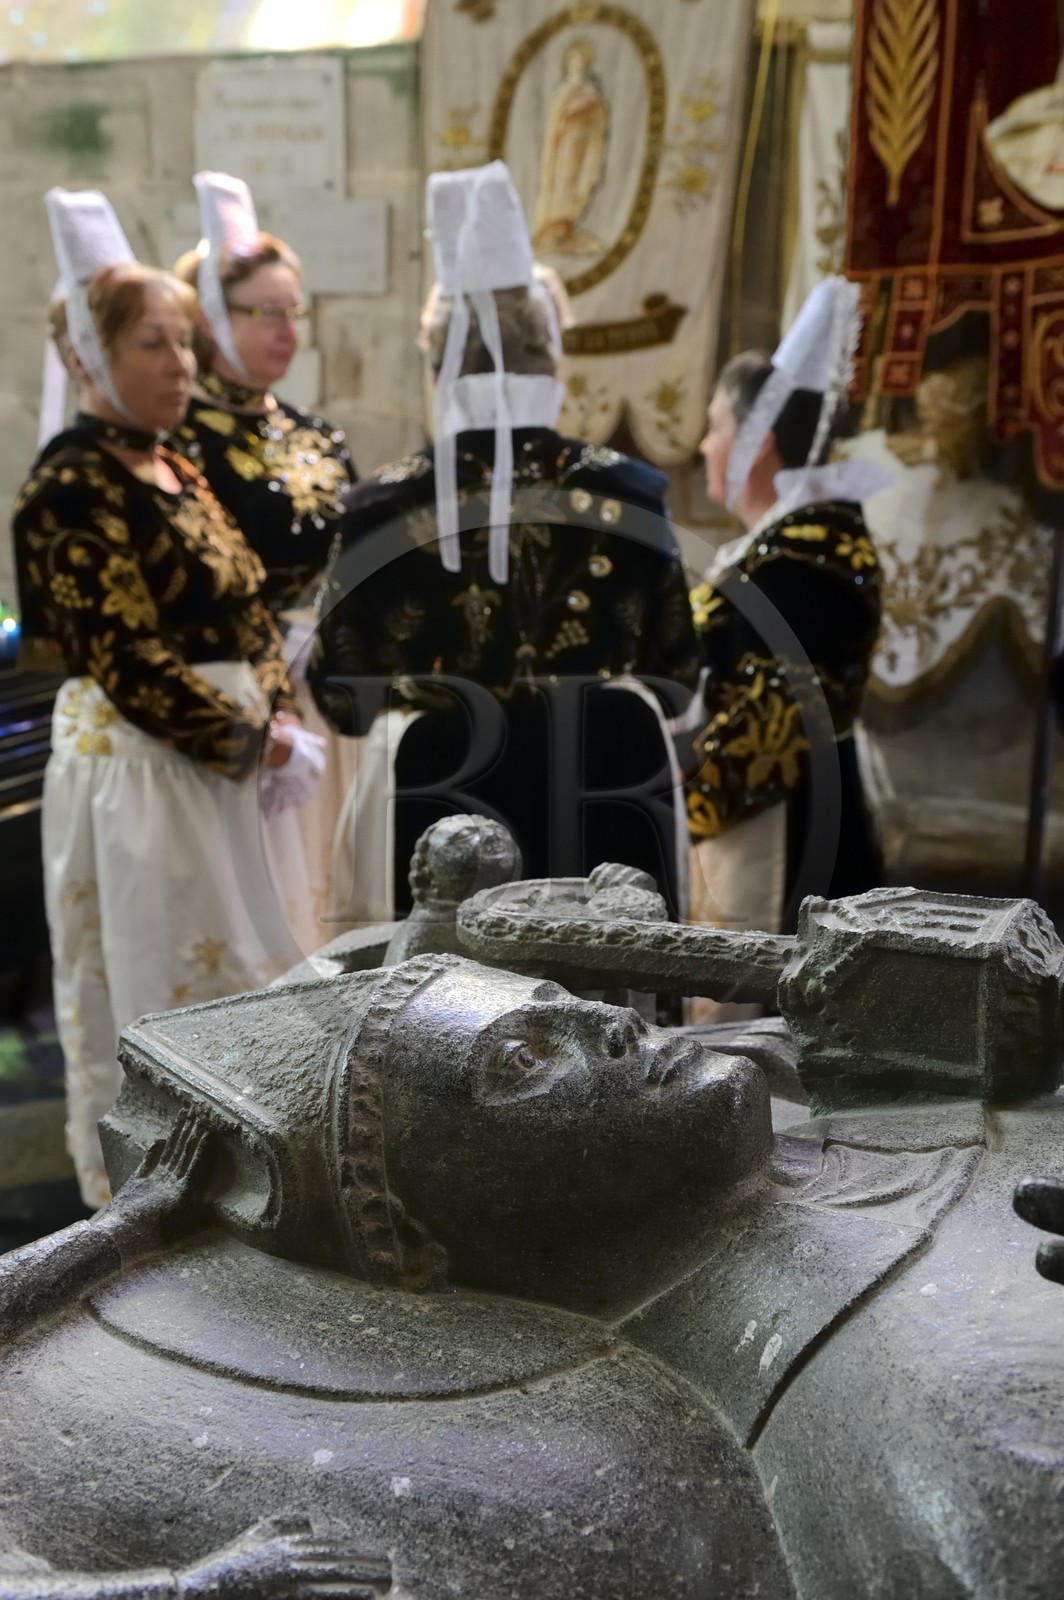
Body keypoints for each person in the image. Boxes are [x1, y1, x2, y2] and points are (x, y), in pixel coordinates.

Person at [11, 187, 319, 1209]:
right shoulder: (70, 488)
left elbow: (247, 607)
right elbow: (123, 654)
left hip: (230, 769)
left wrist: (277, 707)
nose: (182, 364)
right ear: (90, 359)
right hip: (151, 778)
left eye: (187, 343)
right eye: (155, 344)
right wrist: (251, 737)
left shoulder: (176, 465)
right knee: (175, 993)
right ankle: (169, 1212)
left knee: (259, 987)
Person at [309, 161, 699, 917]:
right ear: (551, 357)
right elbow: (679, 672)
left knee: (441, 1012)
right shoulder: (632, 492)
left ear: (435, 364)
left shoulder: (377, 508)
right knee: (616, 1006)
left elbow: (340, 696)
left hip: (437, 794)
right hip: (609, 782)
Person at [172, 172, 358, 927]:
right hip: (247, 693)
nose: (287, 330)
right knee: (269, 901)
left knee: (330, 890)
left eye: (293, 311)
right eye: (265, 313)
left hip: (331, 689)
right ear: (212, 320)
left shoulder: (318, 434)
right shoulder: (179, 441)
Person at [684, 277, 885, 944]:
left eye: (716, 427)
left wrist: (667, 798)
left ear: (757, 441)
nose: (705, 447)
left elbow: (763, 735)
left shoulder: (798, 566)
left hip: (788, 834)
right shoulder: (788, 548)